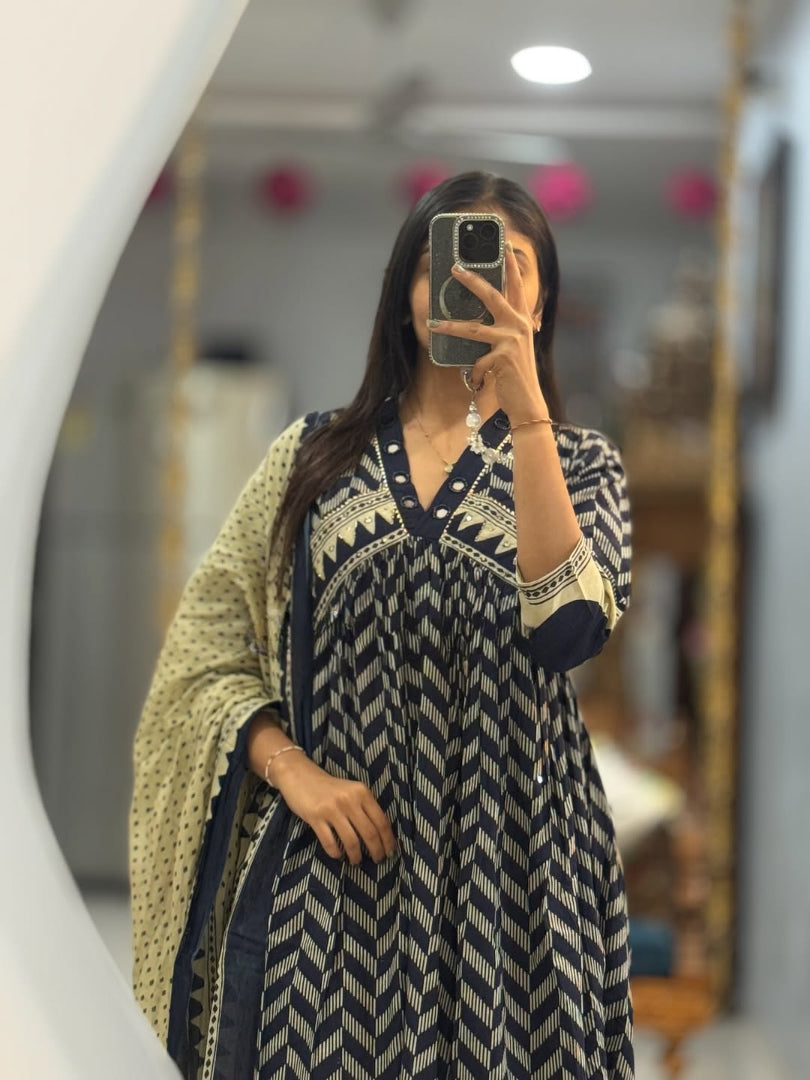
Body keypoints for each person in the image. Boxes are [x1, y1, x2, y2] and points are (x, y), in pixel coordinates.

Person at [129, 170, 634, 1079]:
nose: (474, 283)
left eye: (508, 265)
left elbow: (568, 633)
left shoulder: (584, 466)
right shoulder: (313, 459)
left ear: (541, 301)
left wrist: (528, 418)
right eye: (446, 262)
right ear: (407, 292)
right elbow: (206, 646)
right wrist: (294, 771)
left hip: (518, 887)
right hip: (336, 872)